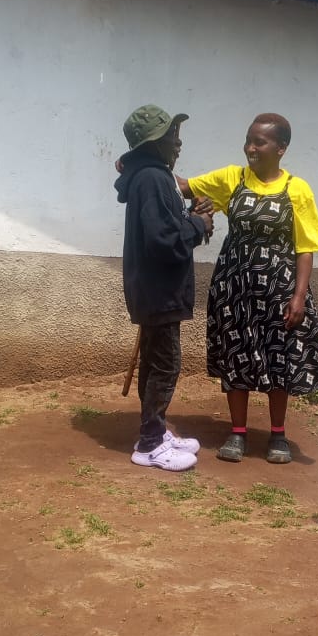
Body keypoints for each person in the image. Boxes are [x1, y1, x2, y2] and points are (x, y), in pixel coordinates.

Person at [177, 113, 318, 464]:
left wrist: (299, 296)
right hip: (233, 288)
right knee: (235, 356)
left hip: (278, 290)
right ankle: (237, 433)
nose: (250, 148)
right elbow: (185, 187)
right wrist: (146, 162)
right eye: (248, 140)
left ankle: (277, 435)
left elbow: (305, 248)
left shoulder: (297, 189)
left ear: (281, 148)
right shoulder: (232, 179)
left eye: (259, 142)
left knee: (278, 359)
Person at [115, 104, 213, 471]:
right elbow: (163, 240)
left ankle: (154, 430)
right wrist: (198, 225)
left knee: (154, 363)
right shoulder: (153, 179)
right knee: (166, 365)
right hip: (159, 290)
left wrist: (192, 217)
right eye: (172, 135)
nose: (178, 142)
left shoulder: (153, 177)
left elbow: (164, 229)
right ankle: (150, 444)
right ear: (154, 143)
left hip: (154, 288)